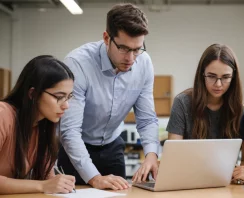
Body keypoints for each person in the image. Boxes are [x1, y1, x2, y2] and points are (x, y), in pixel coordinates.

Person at [57, 3, 159, 190]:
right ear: (106, 38)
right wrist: (94, 178)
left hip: (112, 146)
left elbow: (146, 119)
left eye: (137, 49)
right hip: (76, 148)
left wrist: (152, 154)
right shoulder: (78, 64)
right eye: (124, 48)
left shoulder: (144, 63)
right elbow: (70, 131)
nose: (131, 58)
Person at [0, 55, 75, 194]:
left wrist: (59, 184)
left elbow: (49, 179)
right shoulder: (3, 115)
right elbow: (45, 184)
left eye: (69, 96)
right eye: (59, 97)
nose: (66, 105)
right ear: (33, 94)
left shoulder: (44, 125)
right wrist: (43, 185)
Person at [166, 44, 243, 140]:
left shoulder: (239, 108)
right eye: (211, 76)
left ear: (234, 78)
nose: (218, 84)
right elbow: (174, 150)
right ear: (202, 74)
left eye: (226, 77)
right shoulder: (182, 102)